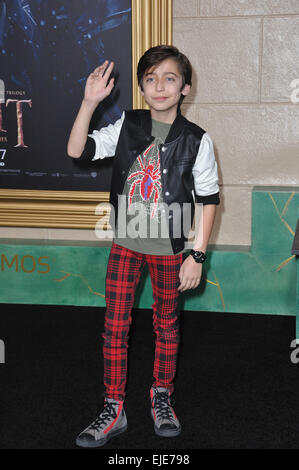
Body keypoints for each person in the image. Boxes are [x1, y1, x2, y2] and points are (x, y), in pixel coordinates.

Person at [67, 45, 220, 448]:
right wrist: (88, 103)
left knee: (166, 325)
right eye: (150, 79)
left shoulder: (197, 141)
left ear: (185, 87)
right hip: (125, 245)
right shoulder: (127, 126)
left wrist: (197, 255)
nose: (160, 86)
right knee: (114, 327)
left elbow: (208, 200)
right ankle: (113, 406)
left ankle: (161, 396)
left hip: (171, 250)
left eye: (170, 78)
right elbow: (76, 151)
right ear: (141, 87)